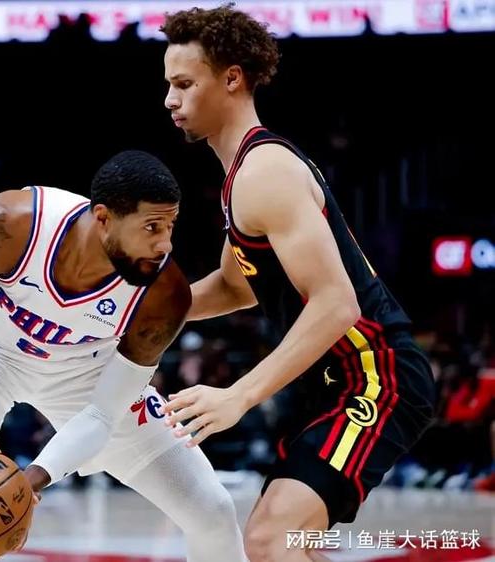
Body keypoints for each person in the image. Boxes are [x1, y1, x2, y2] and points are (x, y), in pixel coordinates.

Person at [0, 150, 246, 562]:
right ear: (104, 218)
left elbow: (102, 414)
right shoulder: (12, 223)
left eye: (170, 226)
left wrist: (30, 481)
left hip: (85, 372)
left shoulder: (165, 293)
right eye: (151, 227)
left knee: (212, 511)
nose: (165, 244)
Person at [160, 6, 436, 561]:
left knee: (271, 540)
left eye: (184, 84)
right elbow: (236, 287)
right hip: (330, 383)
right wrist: (139, 310)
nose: (170, 99)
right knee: (291, 546)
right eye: (169, 85)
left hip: (374, 375)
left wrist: (239, 395)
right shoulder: (241, 174)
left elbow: (337, 304)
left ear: (231, 79)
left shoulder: (265, 172)